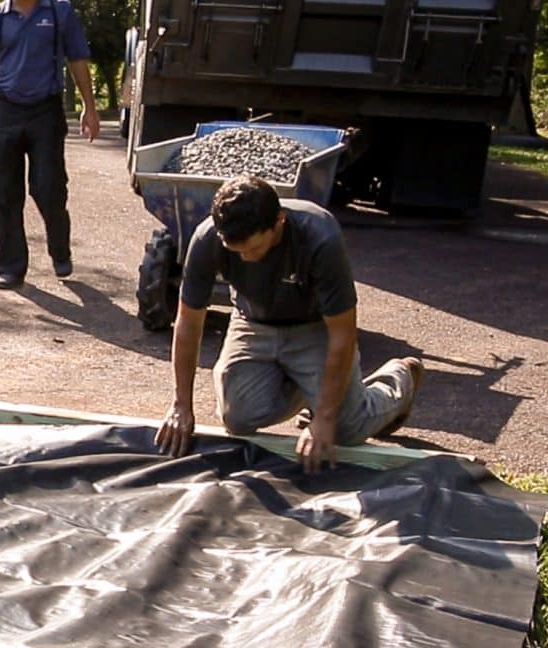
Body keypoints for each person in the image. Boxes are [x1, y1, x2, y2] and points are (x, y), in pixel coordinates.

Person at [156, 175, 424, 473]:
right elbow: (189, 322)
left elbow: (342, 333)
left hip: (313, 327)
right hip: (252, 323)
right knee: (238, 418)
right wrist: (181, 404)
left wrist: (324, 417)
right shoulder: (207, 238)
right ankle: (311, 386)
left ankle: (399, 378)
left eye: (255, 248)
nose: (246, 258)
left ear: (279, 222)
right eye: (236, 251)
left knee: (344, 430)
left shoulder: (320, 237)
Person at [0, 0, 101, 290]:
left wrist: (90, 107)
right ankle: (10, 266)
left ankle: (60, 247)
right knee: (4, 190)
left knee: (49, 187)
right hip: (5, 110)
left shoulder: (60, 13)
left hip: (45, 111)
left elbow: (77, 60)